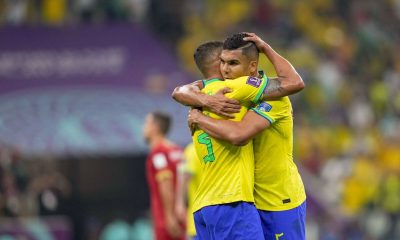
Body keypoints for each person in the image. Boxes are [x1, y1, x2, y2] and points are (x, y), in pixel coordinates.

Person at [172, 34, 304, 239]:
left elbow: (239, 133)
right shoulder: (229, 91)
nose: (225, 69)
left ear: (252, 67)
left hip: (279, 199)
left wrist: (198, 117)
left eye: (232, 63)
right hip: (249, 199)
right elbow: (182, 90)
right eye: (222, 62)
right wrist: (207, 101)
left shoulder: (271, 96)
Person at [143, 111, 185, 240]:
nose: (143, 128)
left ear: (155, 127)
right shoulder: (177, 150)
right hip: (182, 215)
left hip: (166, 219)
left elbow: (165, 182)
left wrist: (169, 216)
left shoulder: (158, 153)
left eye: (146, 123)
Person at [175, 143, 201, 240]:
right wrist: (180, 204)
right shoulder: (192, 150)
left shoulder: (192, 149)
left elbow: (184, 178)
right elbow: (185, 176)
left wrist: (179, 203)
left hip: (198, 218)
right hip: (213, 216)